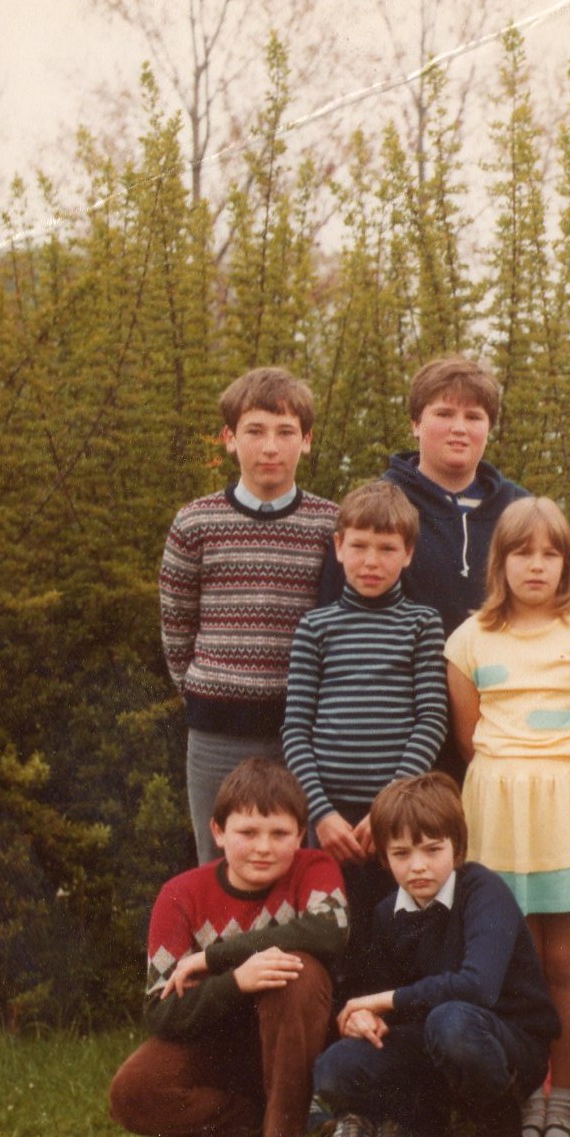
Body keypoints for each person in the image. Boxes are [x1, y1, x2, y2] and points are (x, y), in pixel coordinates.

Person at [444, 499, 570, 1137]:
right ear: (502, 561)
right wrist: (516, 774)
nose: (537, 565)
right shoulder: (469, 640)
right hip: (497, 805)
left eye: (551, 553)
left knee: (566, 958)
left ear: (567, 563)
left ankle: (567, 1093)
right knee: (511, 958)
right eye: (523, 553)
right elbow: (469, 737)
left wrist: (555, 772)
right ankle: (524, 1090)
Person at [107, 758, 346, 1137]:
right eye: (247, 833)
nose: (263, 847)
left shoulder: (314, 868)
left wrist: (214, 957)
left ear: (300, 834)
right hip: (220, 1043)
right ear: (218, 832)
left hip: (299, 1037)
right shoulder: (179, 895)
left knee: (293, 969)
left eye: (279, 833)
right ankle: (262, 1130)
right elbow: (161, 1011)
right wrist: (237, 980)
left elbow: (330, 930)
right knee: (133, 1092)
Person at [314, 773, 558, 1137]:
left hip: (507, 1040)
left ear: (457, 847)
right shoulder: (385, 913)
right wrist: (363, 1018)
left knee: (451, 1022)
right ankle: (421, 1123)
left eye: (432, 849)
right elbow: (378, 998)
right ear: (385, 858)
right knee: (335, 1067)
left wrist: (384, 1002)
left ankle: (500, 1127)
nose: (419, 866)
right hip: (433, 1038)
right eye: (402, 853)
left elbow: (477, 986)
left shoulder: (484, 890)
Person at [160, 367, 337, 862]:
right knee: (220, 868)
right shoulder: (195, 523)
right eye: (255, 431)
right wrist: (208, 691)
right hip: (216, 733)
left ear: (306, 441)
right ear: (228, 439)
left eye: (285, 433)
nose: (270, 448)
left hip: (302, 735)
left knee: (298, 868)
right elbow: (177, 628)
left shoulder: (331, 525)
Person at [282, 480, 449, 963]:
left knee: (396, 932)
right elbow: (295, 729)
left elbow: (431, 718)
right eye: (358, 546)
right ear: (338, 547)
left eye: (386, 548)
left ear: (408, 553)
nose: (371, 561)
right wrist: (321, 812)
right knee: (333, 937)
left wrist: (388, 806)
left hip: (394, 816)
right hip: (329, 816)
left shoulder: (421, 623)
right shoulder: (316, 627)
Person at [322, 356, 528, 638]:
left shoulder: (521, 510)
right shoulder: (374, 508)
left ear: (489, 429)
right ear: (416, 424)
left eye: (473, 417)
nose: (459, 428)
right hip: (400, 680)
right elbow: (335, 618)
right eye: (444, 414)